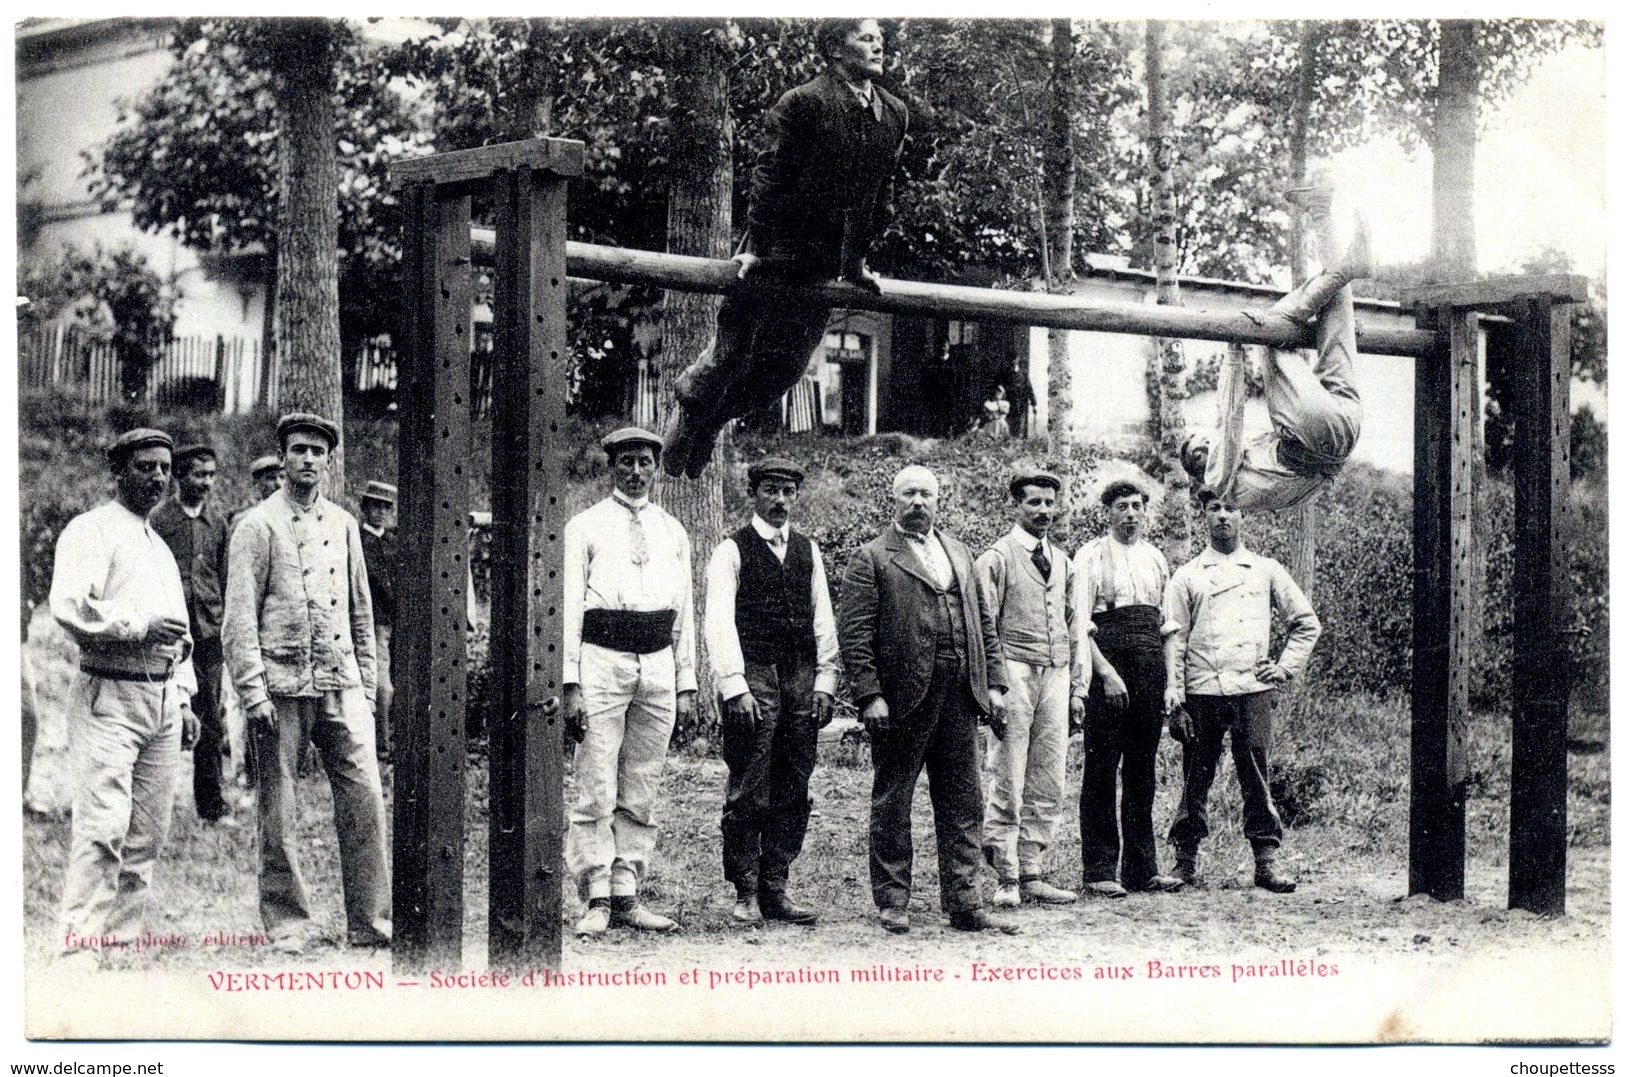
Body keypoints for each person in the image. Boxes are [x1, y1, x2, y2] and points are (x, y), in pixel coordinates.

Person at [662, 18, 909, 477]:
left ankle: (709, 420)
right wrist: (755, 245)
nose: (879, 46)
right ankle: (691, 401)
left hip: (824, 266)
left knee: (781, 374)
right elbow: (769, 177)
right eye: (866, 38)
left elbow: (879, 191)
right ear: (836, 48)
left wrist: (856, 263)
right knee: (733, 356)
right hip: (775, 250)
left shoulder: (892, 113)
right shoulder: (803, 103)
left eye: (880, 38)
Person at [223, 413, 390, 954]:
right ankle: (289, 921)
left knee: (364, 796)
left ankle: (371, 920)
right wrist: (253, 691)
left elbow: (361, 613)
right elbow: (239, 619)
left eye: (318, 452)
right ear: (283, 457)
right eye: (299, 450)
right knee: (280, 807)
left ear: (328, 459)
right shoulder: (256, 526)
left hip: (340, 683)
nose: (308, 460)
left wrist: (366, 689)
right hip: (281, 687)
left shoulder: (343, 524)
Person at [837, 465, 1018, 936]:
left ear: (940, 501)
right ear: (893, 499)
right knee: (894, 798)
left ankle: (964, 900)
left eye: (927, 495)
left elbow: (984, 624)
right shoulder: (872, 557)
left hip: (960, 693)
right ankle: (894, 900)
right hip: (902, 698)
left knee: (964, 798)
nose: (919, 502)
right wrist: (870, 694)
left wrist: (994, 683)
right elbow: (855, 635)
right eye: (909, 494)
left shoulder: (959, 552)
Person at [49, 428, 200, 969]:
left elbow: (178, 633)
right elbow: (70, 607)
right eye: (144, 467)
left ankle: (119, 943)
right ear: (118, 471)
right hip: (109, 693)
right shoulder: (91, 530)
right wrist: (136, 624)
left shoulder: (156, 543)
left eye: (164, 468)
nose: (157, 477)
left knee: (146, 835)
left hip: (159, 700)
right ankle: (79, 950)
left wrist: (183, 697)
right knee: (103, 827)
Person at [562, 427, 696, 937]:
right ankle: (595, 893)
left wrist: (685, 682)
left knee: (642, 782)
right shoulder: (585, 526)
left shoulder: (673, 531)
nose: (636, 472)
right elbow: (571, 606)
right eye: (627, 463)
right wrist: (570, 681)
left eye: (645, 463)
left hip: (657, 660)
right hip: (603, 656)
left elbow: (682, 610)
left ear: (657, 469)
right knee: (596, 779)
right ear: (611, 467)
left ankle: (627, 892)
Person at [1162, 488, 1321, 893]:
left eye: (1230, 508)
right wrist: (1175, 700)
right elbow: (1174, 641)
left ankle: (1266, 861)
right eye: (1214, 508)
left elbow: (1306, 623)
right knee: (1196, 776)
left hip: (1252, 689)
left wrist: (1282, 668)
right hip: (1203, 691)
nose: (1222, 516)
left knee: (1255, 773)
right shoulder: (1188, 575)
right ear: (1203, 516)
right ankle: (1185, 861)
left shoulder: (1265, 569)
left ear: (1243, 516)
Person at [703, 457, 839, 926]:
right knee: (750, 785)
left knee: (795, 783)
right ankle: (744, 891)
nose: (780, 500)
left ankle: (775, 886)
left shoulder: (807, 551)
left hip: (800, 676)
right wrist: (735, 686)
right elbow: (718, 623)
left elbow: (823, 618)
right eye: (771, 491)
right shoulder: (732, 550)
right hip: (754, 675)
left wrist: (825, 680)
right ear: (753, 494)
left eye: (788, 492)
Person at [1180, 185, 1372, 513]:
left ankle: (1321, 210)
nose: (1205, 446)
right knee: (1271, 326)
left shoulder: (1247, 470)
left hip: (1343, 434)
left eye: (1200, 441)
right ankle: (1341, 261)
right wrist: (1234, 349)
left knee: (1336, 301)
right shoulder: (1218, 481)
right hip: (1316, 436)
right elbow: (1228, 417)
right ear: (1197, 475)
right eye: (1197, 454)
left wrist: (1322, 333)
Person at [973, 470, 1083, 909]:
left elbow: (1075, 627)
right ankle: (1006, 875)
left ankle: (1033, 867)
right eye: (1033, 502)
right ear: (1015, 506)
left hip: (1055, 674)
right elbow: (984, 630)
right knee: (1008, 773)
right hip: (1013, 673)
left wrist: (1078, 687)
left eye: (1049, 503)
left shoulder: (1064, 561)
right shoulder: (995, 559)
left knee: (1049, 773)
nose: (1043, 511)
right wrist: (994, 688)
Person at [1074, 479, 1185, 897]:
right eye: (1122, 506)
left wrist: (1171, 684)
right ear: (1108, 512)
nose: (1131, 513)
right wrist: (1104, 673)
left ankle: (1142, 869)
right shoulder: (1090, 556)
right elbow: (1081, 626)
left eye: (1137, 506)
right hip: (1109, 663)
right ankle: (1100, 870)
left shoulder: (1156, 558)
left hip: (1149, 667)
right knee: (1102, 767)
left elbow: (1168, 628)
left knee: (1143, 770)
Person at [148, 443, 233, 826]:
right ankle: (149, 802)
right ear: (180, 477)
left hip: (210, 635)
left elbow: (224, 576)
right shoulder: (159, 521)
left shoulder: (217, 524)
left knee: (211, 721)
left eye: (212, 475)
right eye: (199, 474)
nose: (206, 483)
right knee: (160, 716)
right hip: (170, 635)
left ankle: (212, 806)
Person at [358, 481, 397, 761]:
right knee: (381, 686)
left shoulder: (395, 541)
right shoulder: (358, 540)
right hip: (373, 623)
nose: (381, 512)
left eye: (387, 507)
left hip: (397, 622)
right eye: (376, 506)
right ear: (365, 508)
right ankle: (381, 747)